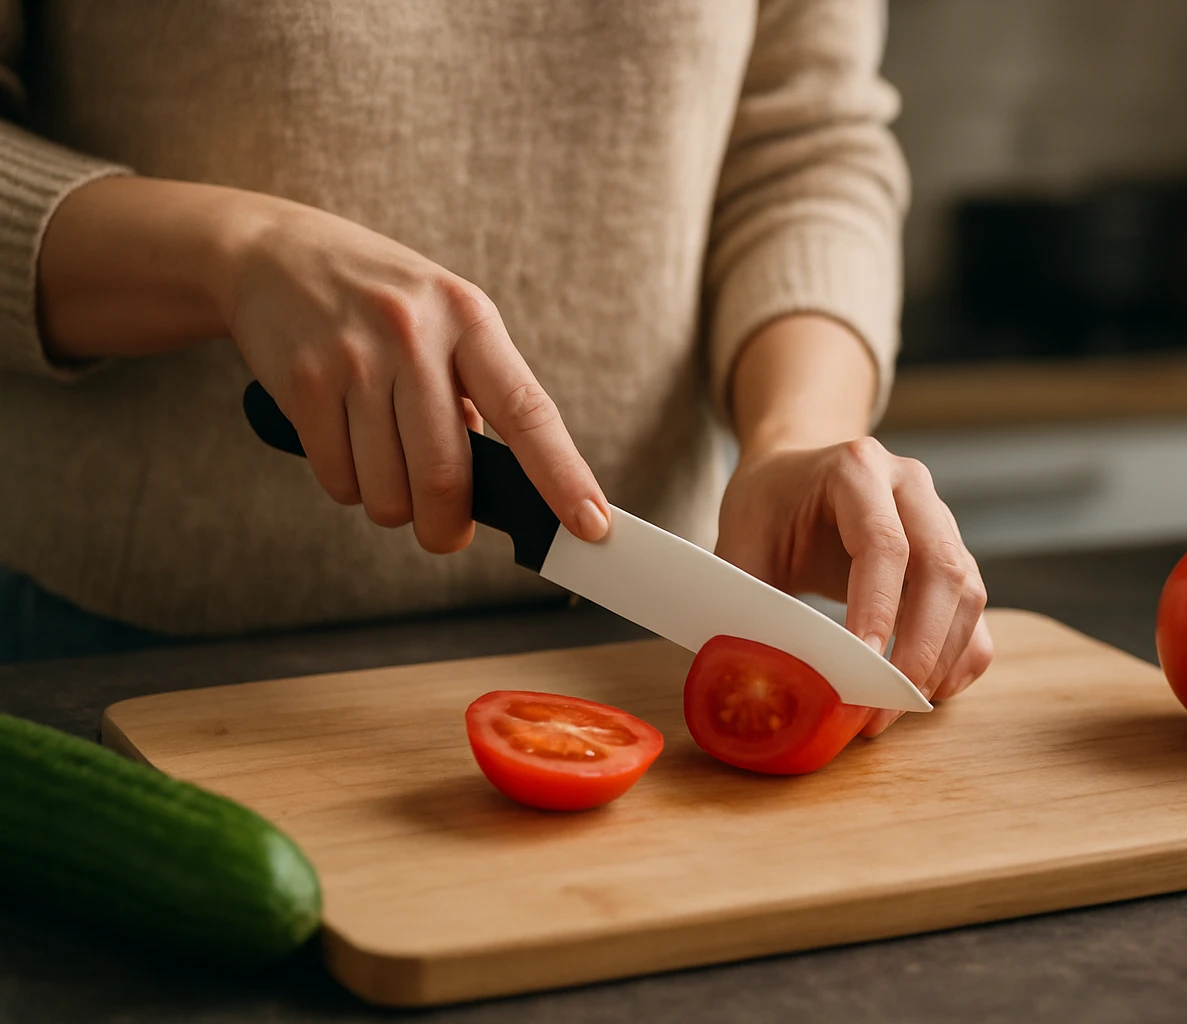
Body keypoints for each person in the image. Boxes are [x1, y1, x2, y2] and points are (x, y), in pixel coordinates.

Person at [0, 0, 990, 734]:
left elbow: (803, 146)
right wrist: (234, 252)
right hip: (122, 666)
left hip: (628, 655)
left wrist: (799, 429)